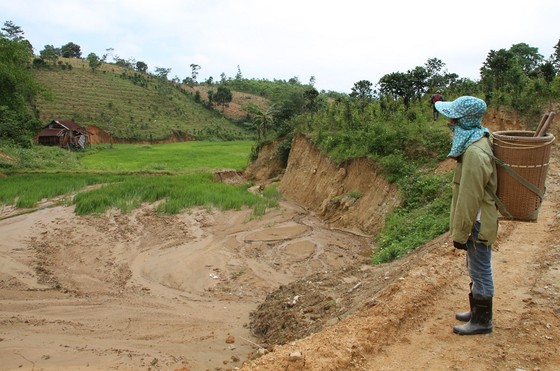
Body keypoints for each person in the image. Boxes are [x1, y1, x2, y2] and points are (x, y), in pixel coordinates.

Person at [434, 96, 498, 335]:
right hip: (478, 220)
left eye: (454, 118)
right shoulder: (478, 140)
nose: (450, 122)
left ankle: (483, 321)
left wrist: (460, 233)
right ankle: (477, 311)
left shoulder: (473, 153)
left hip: (478, 222)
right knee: (474, 266)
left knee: (481, 269)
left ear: (464, 120)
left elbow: (470, 199)